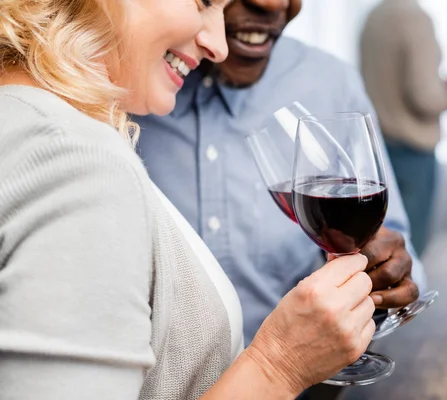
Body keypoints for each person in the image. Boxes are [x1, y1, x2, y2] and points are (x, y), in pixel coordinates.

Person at [0, 0, 379, 398]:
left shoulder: (30, 120)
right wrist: (278, 365)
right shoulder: (78, 160)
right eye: (203, 2)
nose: (218, 45)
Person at [133, 0, 424, 348]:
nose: (273, 3)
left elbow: (399, 252)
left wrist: (383, 272)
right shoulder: (113, 86)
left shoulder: (330, 83)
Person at [360, 0, 447, 256]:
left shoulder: (374, 16)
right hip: (412, 152)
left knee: (378, 248)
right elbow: (424, 97)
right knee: (408, 251)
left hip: (378, 148)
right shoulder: (415, 19)